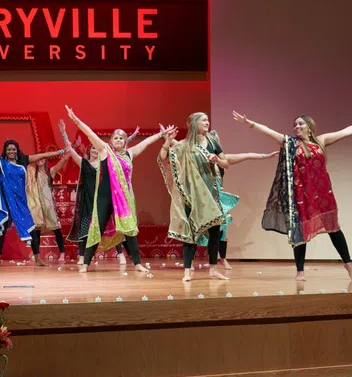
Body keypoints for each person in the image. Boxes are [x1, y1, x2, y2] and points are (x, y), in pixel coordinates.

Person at [233, 110, 352, 280]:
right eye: (295, 124)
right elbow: (269, 131)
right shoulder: (290, 143)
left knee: (334, 229)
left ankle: (349, 266)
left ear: (309, 127)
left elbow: (345, 131)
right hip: (301, 195)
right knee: (300, 232)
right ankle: (300, 271)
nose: (296, 126)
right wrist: (249, 123)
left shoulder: (321, 141)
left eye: (300, 124)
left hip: (322, 194)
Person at [65, 105, 172, 273]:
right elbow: (90, 134)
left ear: (126, 141)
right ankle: (86, 263)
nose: (119, 140)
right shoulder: (104, 151)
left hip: (124, 199)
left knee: (129, 229)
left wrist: (161, 135)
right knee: (97, 227)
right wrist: (76, 120)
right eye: (116, 138)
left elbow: (145, 143)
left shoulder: (129, 154)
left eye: (122, 138)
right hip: (104, 197)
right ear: (111, 141)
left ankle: (137, 264)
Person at [0, 138, 69, 266]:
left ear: (17, 150)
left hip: (21, 202)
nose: (11, 151)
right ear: (5, 151)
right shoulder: (0, 163)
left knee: (32, 229)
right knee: (1, 229)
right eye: (9, 149)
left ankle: (38, 259)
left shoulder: (23, 161)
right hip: (6, 202)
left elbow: (43, 155)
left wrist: (61, 151)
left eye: (13, 149)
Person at [159, 112, 230, 282]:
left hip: (211, 193)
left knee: (215, 231)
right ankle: (186, 271)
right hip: (191, 195)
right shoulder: (185, 145)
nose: (207, 122)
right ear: (194, 123)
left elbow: (226, 163)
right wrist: (167, 141)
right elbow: (163, 157)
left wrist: (217, 160)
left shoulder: (213, 142)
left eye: (207, 119)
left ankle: (213, 269)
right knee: (190, 232)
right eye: (203, 120)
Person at [59, 121, 127, 265]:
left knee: (110, 227)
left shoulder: (106, 162)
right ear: (89, 150)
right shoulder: (83, 163)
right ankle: (82, 257)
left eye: (98, 149)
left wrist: (130, 138)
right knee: (85, 228)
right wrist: (64, 133)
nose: (96, 151)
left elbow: (117, 150)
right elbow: (70, 150)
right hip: (87, 200)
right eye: (93, 149)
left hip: (101, 199)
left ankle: (121, 254)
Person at [197, 150, 279, 270]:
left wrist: (266, 155)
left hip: (218, 200)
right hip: (204, 199)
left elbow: (247, 155)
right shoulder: (199, 158)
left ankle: (223, 259)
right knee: (198, 229)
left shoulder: (223, 159)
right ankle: (190, 264)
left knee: (223, 230)